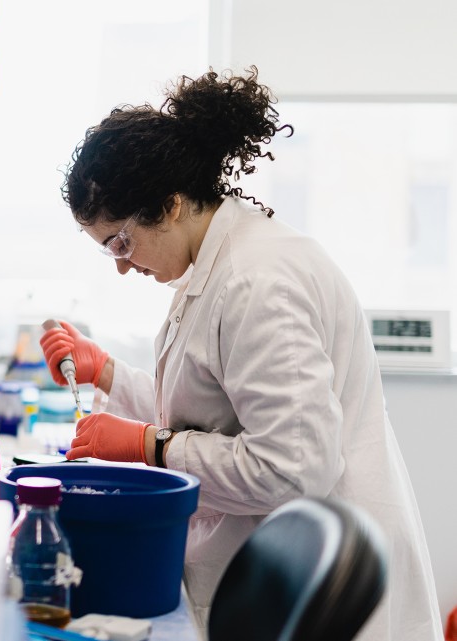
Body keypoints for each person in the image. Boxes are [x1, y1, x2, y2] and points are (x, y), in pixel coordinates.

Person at [39, 68, 442, 641]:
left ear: (172, 205)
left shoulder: (257, 282)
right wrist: (104, 370)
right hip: (276, 568)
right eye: (108, 252)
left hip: (322, 592)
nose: (123, 266)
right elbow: (210, 410)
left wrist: (148, 446)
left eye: (122, 243)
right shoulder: (217, 263)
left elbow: (293, 469)